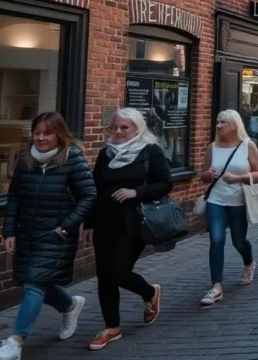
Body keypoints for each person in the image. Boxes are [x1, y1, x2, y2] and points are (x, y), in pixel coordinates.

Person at [0, 113, 96, 360]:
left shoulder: (72, 159)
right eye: (37, 133)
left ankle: (16, 340)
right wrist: (9, 231)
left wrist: (66, 227)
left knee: (33, 284)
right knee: (38, 281)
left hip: (56, 233)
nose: (40, 138)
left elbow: (89, 196)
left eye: (46, 133)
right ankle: (70, 305)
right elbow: (15, 197)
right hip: (27, 231)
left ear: (59, 134)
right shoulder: (25, 159)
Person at [82, 108, 171, 350]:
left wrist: (136, 192)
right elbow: (96, 189)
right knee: (104, 275)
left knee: (119, 272)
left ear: (137, 128)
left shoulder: (150, 151)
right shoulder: (106, 153)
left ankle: (149, 292)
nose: (119, 132)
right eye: (115, 127)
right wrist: (89, 222)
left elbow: (165, 183)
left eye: (125, 127)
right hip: (104, 221)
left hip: (134, 221)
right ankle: (112, 326)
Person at [198, 110, 258, 307]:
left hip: (238, 201)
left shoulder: (247, 146)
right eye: (217, 122)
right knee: (216, 240)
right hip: (216, 200)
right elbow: (203, 175)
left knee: (238, 241)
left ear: (235, 125)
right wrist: (207, 174)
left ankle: (249, 262)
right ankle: (216, 287)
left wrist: (239, 178)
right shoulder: (213, 147)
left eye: (223, 123)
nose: (218, 126)